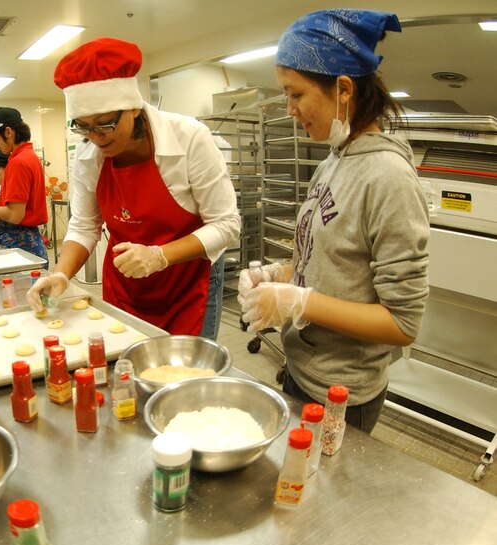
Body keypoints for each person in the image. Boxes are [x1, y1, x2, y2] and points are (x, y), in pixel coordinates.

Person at [238, 9, 430, 433]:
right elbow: (327, 261)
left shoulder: (389, 178)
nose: (289, 109)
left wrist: (299, 302)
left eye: (296, 94)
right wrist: (278, 275)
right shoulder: (332, 163)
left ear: (343, 88)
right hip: (301, 368)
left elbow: (402, 323)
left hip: (341, 393)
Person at [28, 38, 240, 337]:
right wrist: (61, 273)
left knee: (186, 375)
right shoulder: (88, 155)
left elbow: (227, 225)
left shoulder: (189, 138)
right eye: (84, 126)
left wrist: (158, 256)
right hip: (127, 284)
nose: (96, 137)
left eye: (104, 123)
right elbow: (85, 226)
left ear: (133, 109)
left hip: (188, 281)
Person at [0, 107, 49, 264]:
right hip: (29, 239)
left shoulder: (18, 163)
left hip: (20, 242)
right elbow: (23, 204)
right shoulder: (30, 156)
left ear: (8, 132)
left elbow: (15, 215)